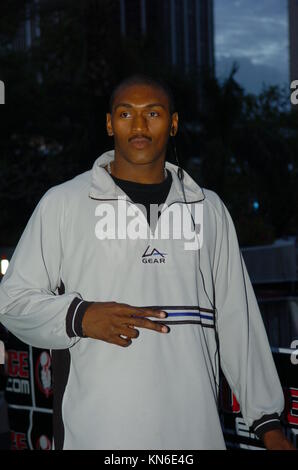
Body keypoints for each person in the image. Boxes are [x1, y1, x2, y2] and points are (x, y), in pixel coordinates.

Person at [0, 74, 295, 450]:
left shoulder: (209, 210)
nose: (138, 126)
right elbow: (11, 301)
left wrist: (268, 425)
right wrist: (79, 316)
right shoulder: (64, 204)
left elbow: (239, 321)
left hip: (195, 435)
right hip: (98, 436)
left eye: (152, 113)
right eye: (126, 114)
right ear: (110, 124)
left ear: (173, 123)